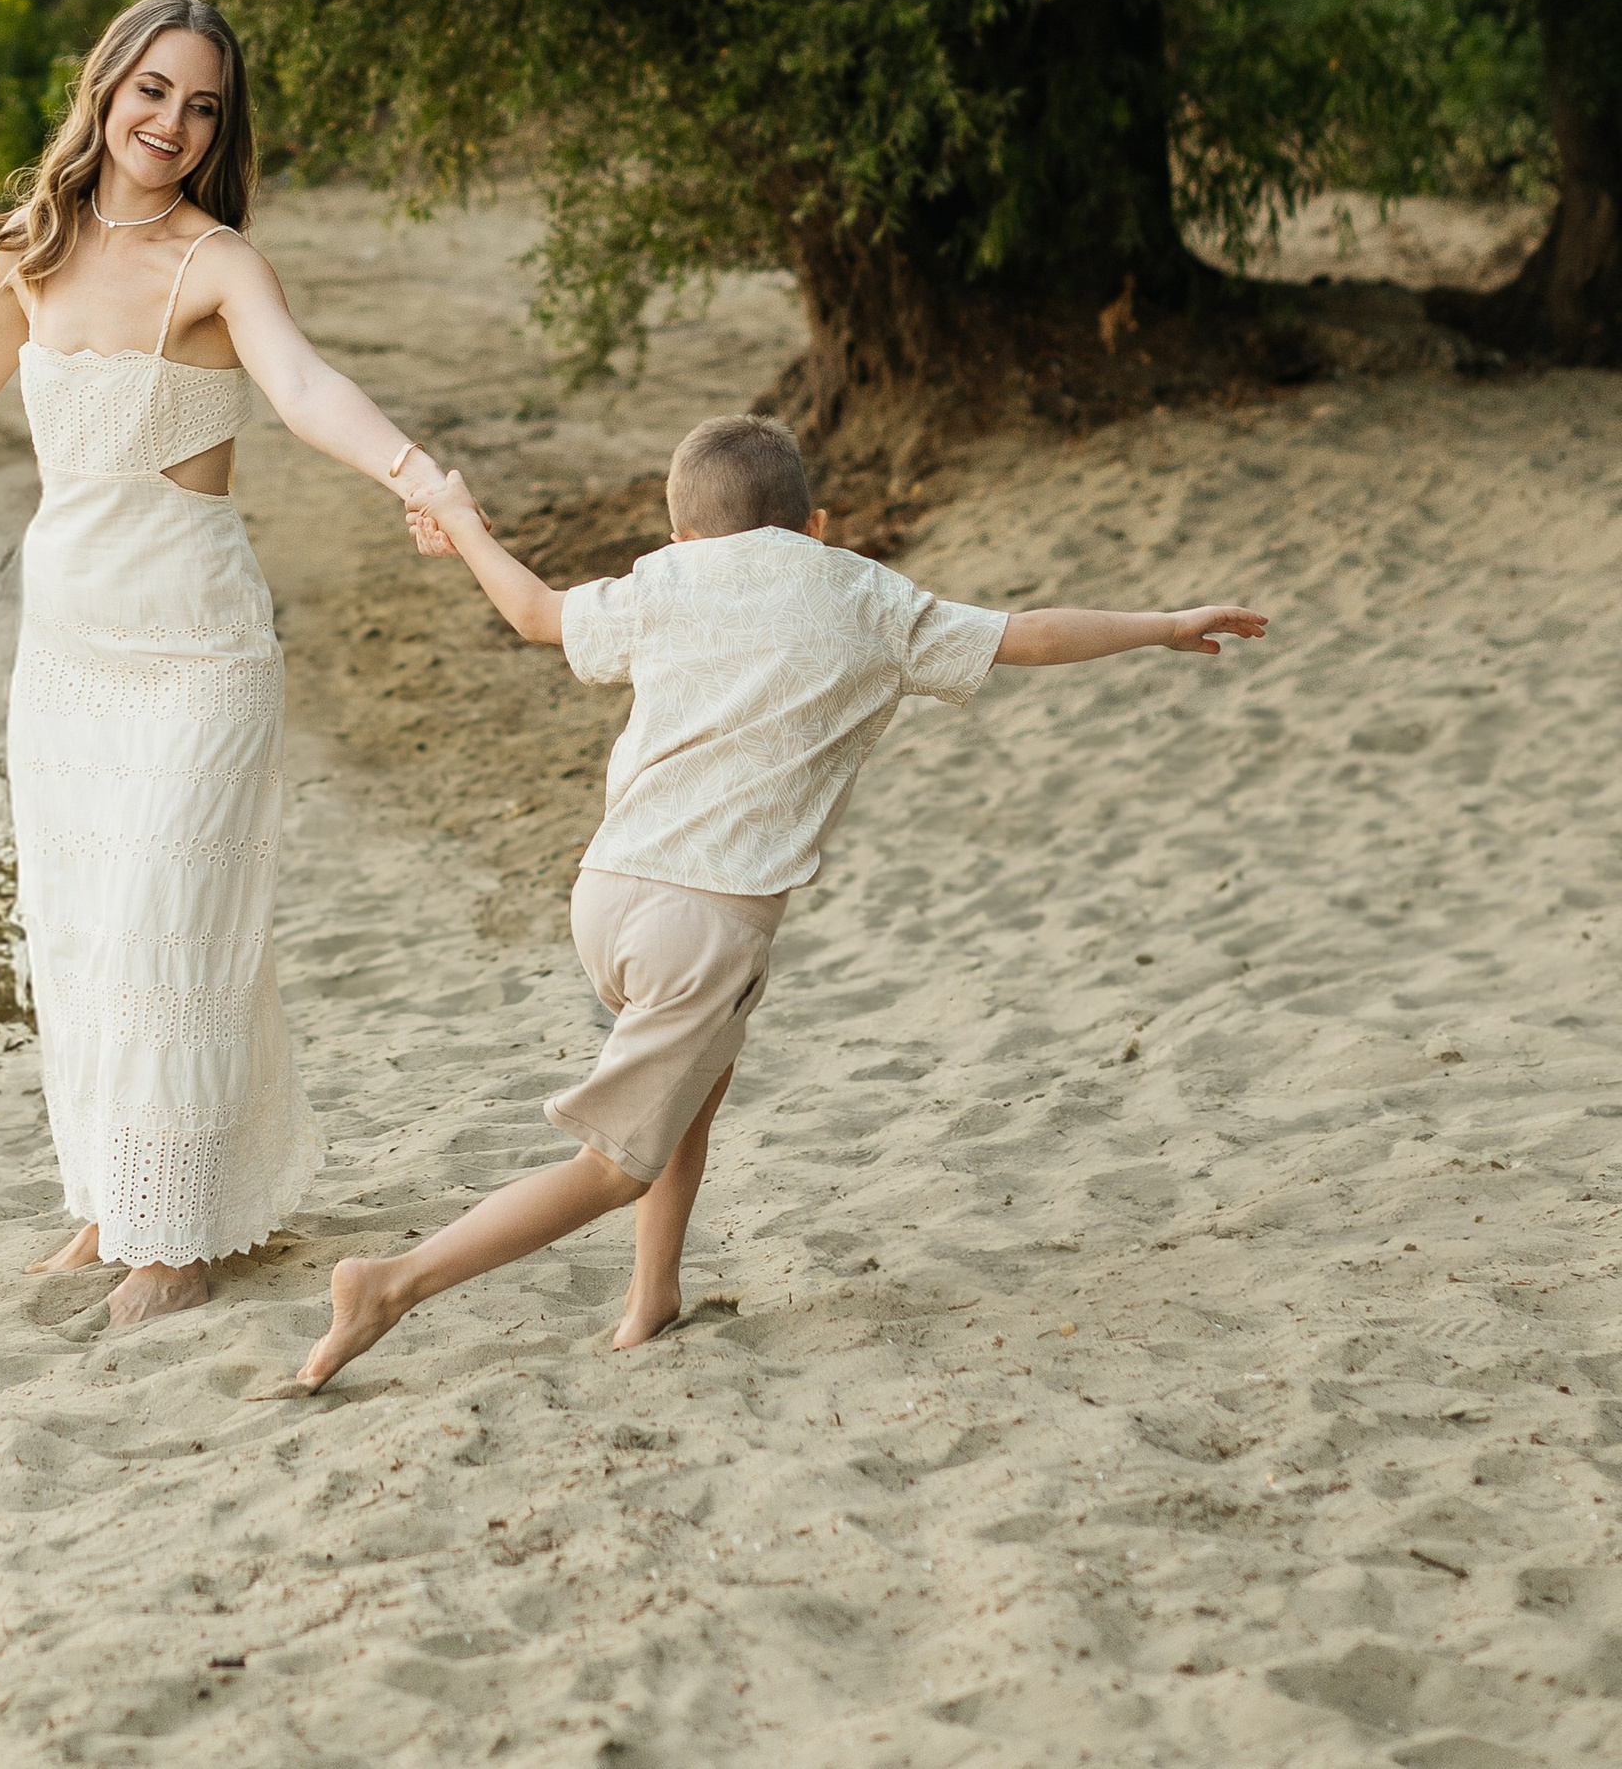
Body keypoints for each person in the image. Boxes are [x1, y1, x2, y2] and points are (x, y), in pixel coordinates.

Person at [298, 411, 1267, 1386]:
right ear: (816, 526)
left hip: (606, 888)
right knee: (613, 1165)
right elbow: (1029, 633)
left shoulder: (661, 580)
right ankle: (391, 1282)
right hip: (706, 921)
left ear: (681, 534)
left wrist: (462, 521)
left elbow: (533, 613)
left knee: (695, 1089)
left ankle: (651, 1299)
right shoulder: (862, 594)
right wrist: (1163, 624)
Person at [0, 0, 464, 1327]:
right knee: (88, 930)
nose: (172, 121)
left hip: (199, 642)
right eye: (153, 89)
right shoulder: (26, 253)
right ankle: (119, 1196)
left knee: (171, 924)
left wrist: (413, 468)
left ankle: (179, 1238)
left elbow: (310, 386)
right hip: (68, 647)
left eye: (202, 103)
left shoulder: (219, 263)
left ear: (223, 127)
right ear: (105, 91)